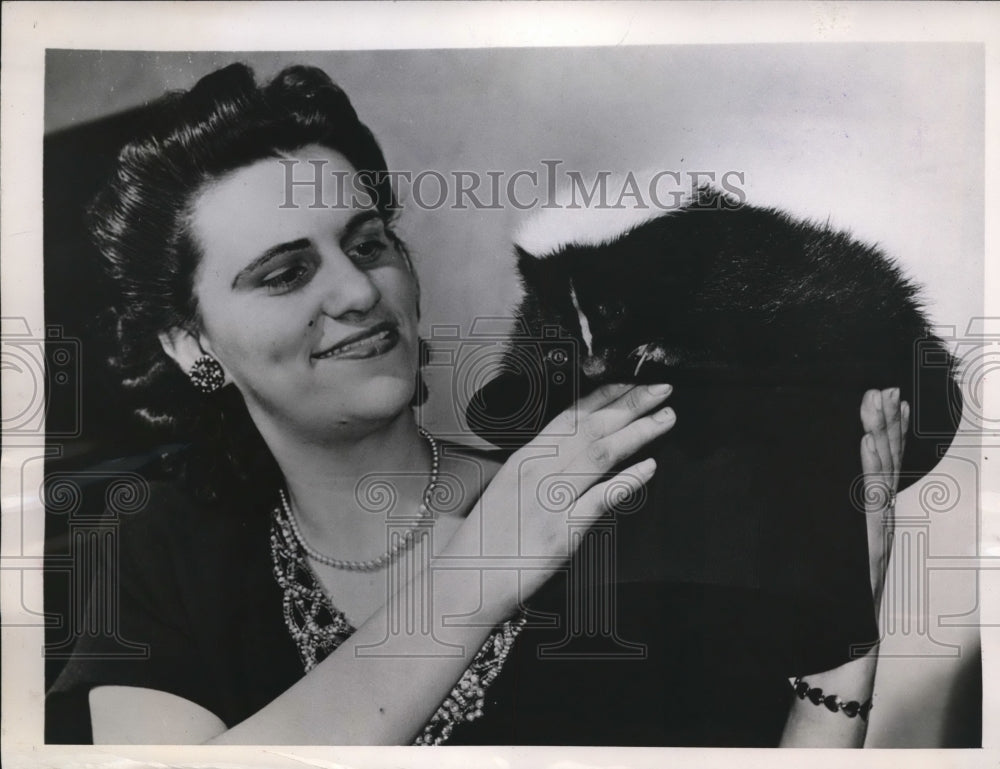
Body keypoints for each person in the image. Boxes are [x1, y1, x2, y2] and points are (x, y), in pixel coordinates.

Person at [46, 62, 906, 747]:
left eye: (369, 241)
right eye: (285, 272)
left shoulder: (609, 497)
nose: (357, 289)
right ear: (190, 342)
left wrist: (844, 633)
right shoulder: (157, 555)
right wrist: (478, 572)